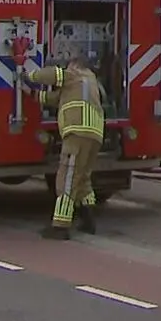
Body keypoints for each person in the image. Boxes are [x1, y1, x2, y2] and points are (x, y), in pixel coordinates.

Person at [18, 48, 107, 240]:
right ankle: (88, 218)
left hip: (77, 132)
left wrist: (27, 75)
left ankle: (60, 226)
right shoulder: (90, 81)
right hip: (95, 134)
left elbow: (53, 75)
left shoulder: (75, 74)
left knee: (66, 178)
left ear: (75, 64)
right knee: (82, 178)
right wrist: (31, 94)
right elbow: (55, 99)